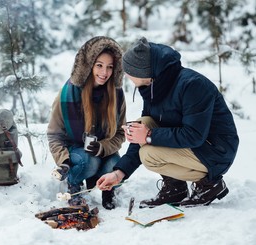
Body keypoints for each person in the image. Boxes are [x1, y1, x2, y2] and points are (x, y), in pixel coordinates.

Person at [97, 37, 239, 208]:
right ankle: (176, 188)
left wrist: (149, 135)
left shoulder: (192, 85)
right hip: (195, 147)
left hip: (216, 151)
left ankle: (210, 185)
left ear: (143, 72)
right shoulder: (154, 86)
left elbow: (194, 135)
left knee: (149, 154)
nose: (126, 75)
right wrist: (119, 173)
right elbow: (142, 132)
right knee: (143, 122)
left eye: (129, 71)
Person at [47, 36, 126, 210]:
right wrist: (64, 161)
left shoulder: (117, 94)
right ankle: (74, 185)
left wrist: (102, 147)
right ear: (88, 65)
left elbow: (120, 133)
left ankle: (108, 189)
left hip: (103, 150)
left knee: (116, 166)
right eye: (99, 65)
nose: (104, 73)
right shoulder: (68, 94)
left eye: (110, 67)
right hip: (76, 151)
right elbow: (54, 135)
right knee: (89, 161)